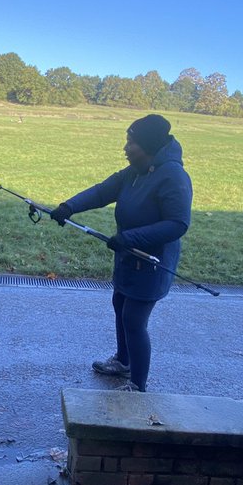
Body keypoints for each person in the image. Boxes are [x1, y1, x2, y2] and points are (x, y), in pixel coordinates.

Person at [49, 114, 193, 392]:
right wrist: (69, 207)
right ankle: (123, 362)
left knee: (134, 320)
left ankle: (138, 384)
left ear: (148, 145)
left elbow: (178, 224)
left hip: (152, 262)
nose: (126, 148)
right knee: (119, 305)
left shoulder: (173, 175)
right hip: (128, 257)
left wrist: (130, 237)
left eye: (132, 142)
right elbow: (103, 191)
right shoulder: (136, 170)